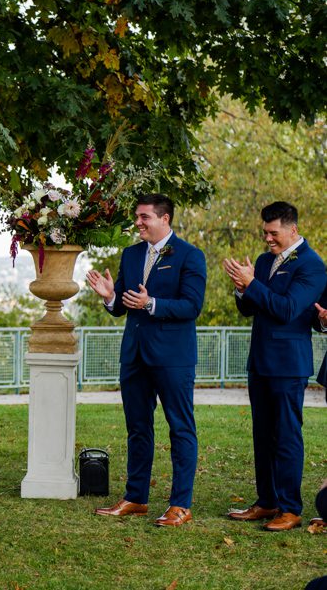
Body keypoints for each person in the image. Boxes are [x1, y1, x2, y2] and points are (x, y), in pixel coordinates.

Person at [86, 194, 206, 527]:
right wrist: (110, 297)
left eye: (144, 217)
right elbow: (124, 303)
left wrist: (152, 303)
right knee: (137, 428)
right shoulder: (131, 254)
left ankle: (180, 504)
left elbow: (191, 306)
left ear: (164, 219)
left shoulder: (190, 256)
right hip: (134, 356)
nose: (138, 223)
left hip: (173, 358)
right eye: (137, 217)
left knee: (180, 429)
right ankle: (136, 497)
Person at [223, 201, 326, 531]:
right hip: (261, 361)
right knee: (262, 435)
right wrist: (242, 290)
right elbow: (249, 310)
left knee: (286, 436)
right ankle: (266, 502)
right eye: (264, 232)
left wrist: (252, 284)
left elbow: (287, 309)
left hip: (289, 365)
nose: (267, 238)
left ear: (292, 229)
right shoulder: (266, 261)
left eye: (273, 232)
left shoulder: (312, 265)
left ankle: (290, 508)